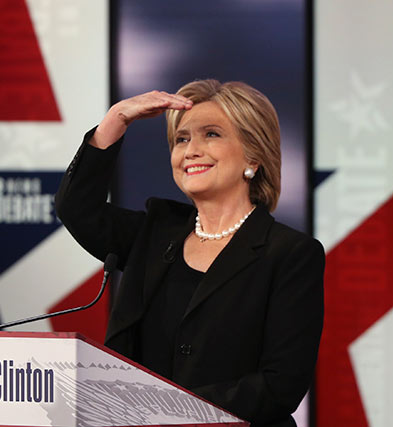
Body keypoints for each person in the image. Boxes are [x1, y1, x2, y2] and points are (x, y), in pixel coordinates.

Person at [54, 79, 324, 426]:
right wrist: (116, 118)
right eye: (182, 139)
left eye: (211, 134)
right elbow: (75, 208)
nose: (191, 150)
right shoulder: (152, 233)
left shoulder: (290, 254)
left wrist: (169, 410)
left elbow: (280, 385)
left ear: (253, 157)